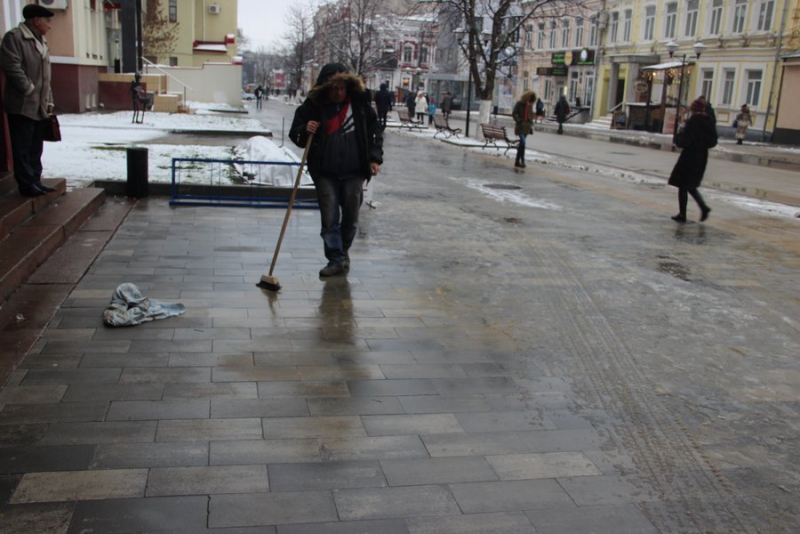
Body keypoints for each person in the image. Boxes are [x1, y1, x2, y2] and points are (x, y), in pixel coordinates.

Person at [289, 63, 383, 277]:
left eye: (341, 88)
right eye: (333, 88)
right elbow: (296, 135)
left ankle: (343, 251)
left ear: (347, 87)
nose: (338, 93)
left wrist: (374, 158)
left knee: (351, 218)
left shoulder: (359, 107)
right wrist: (305, 129)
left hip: (354, 172)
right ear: (325, 88)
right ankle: (335, 258)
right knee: (329, 218)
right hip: (326, 173)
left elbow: (375, 133)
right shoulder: (313, 107)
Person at [0, 4, 57, 197]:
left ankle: (35, 180)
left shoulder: (41, 40)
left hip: (39, 105)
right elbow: (12, 66)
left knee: (35, 146)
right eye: (47, 21)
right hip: (22, 104)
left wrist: (49, 99)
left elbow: (46, 75)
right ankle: (26, 184)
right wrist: (28, 88)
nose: (50, 25)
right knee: (23, 146)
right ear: (36, 20)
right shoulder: (14, 38)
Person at [668, 98, 716, 223]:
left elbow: (683, 142)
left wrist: (679, 133)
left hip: (689, 156)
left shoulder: (692, 121)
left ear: (693, 109)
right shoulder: (709, 121)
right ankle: (703, 208)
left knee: (683, 185)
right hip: (701, 156)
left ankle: (684, 214)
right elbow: (713, 141)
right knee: (690, 185)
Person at [512, 90, 536, 169]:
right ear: (526, 99)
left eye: (531, 102)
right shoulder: (519, 104)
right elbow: (514, 113)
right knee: (523, 142)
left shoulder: (530, 106)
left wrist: (530, 119)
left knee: (522, 144)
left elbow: (531, 114)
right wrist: (519, 120)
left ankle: (517, 161)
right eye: (529, 101)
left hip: (527, 127)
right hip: (520, 126)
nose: (530, 103)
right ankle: (522, 160)